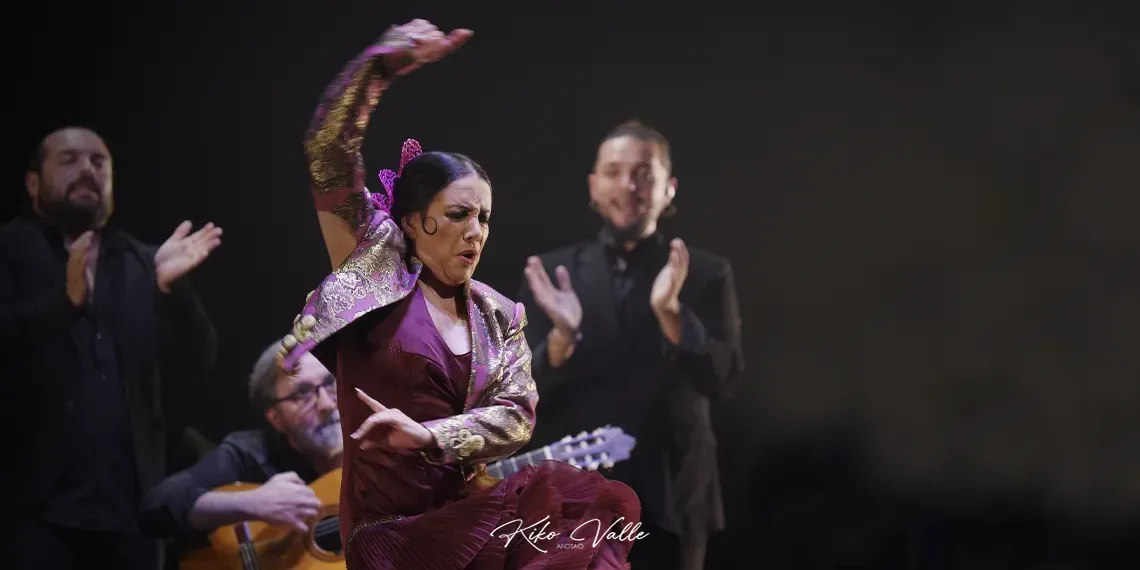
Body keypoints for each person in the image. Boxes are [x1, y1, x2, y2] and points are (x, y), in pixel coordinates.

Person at [275, 19, 641, 569]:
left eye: (485, 218)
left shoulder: (497, 314)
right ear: (416, 222)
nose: (476, 231)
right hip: (389, 534)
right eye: (458, 214)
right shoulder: (373, 264)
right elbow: (327, 151)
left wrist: (428, 435)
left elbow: (517, 414)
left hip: (470, 520)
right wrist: (379, 66)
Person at [517, 119, 745, 570]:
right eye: (614, 171)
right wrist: (562, 338)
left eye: (644, 173)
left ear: (669, 188)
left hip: (675, 497)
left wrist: (673, 315)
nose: (629, 185)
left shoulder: (705, 272)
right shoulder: (551, 273)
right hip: (574, 497)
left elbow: (725, 380)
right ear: (593, 185)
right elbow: (520, 397)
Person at [1, 126, 221, 569]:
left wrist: (171, 291)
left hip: (129, 511)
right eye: (69, 160)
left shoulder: (143, 260)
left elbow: (199, 362)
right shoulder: (8, 249)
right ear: (33, 183)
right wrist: (62, 303)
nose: (86, 169)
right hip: (30, 508)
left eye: (98, 162)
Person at [138, 340, 341, 555]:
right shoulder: (252, 453)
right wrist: (251, 503)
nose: (327, 404)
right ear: (276, 419)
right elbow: (156, 508)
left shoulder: (377, 434)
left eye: (331, 383)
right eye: (303, 394)